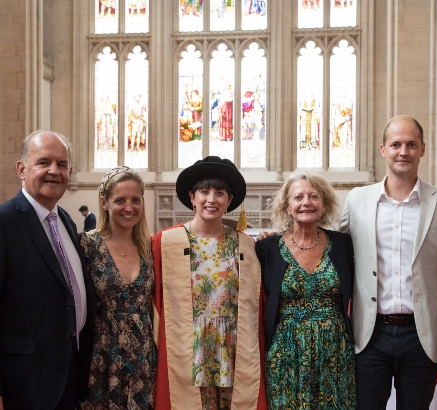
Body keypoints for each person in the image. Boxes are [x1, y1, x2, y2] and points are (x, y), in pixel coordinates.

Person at [341, 115, 437, 409]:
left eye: (411, 144)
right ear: (383, 149)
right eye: (396, 145)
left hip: (422, 334)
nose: (403, 151)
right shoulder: (357, 200)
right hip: (370, 332)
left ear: (422, 149)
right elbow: (335, 251)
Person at [151, 156, 267, 409]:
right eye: (204, 191)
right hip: (187, 349)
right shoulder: (165, 243)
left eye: (220, 192)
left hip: (233, 349)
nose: (211, 199)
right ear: (192, 196)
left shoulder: (246, 245)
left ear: (229, 200)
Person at [0, 130, 95, 409]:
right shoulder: (4, 223)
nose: (54, 171)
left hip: (66, 377)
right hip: (23, 385)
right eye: (43, 162)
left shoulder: (64, 219)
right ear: (22, 169)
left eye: (62, 164)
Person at [255, 172, 356, 409]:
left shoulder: (343, 245)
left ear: (324, 205)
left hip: (335, 353)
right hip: (285, 353)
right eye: (298, 197)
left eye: (314, 196)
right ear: (287, 207)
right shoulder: (266, 247)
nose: (306, 202)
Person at [78, 166, 157, 408]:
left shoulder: (150, 248)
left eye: (135, 200)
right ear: (104, 202)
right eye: (120, 200)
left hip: (142, 357)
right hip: (99, 358)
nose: (129, 207)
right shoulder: (87, 245)